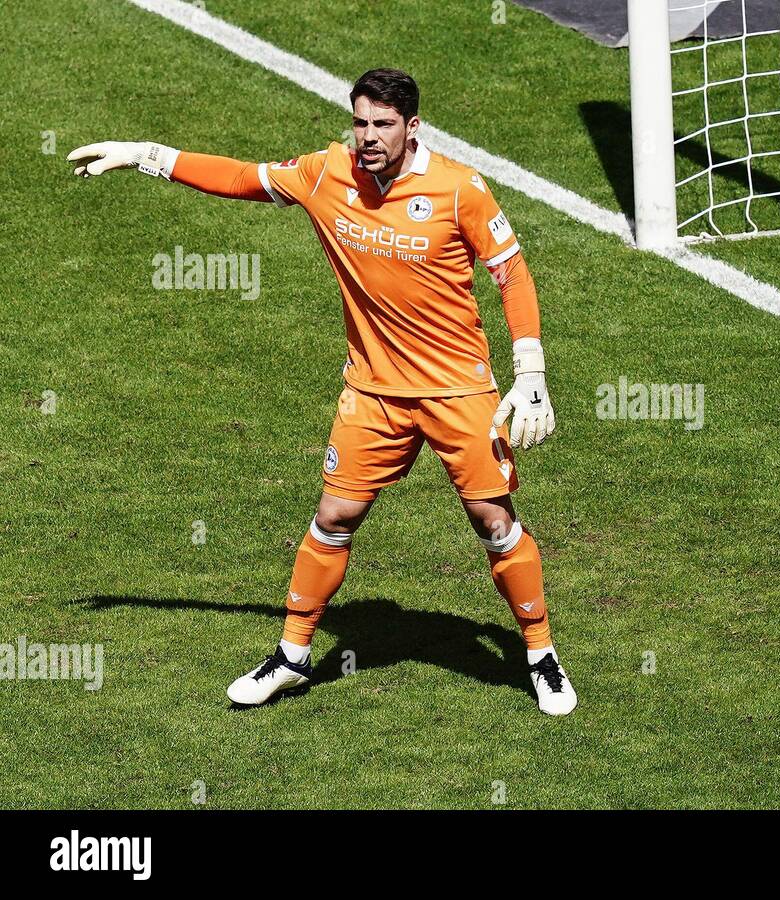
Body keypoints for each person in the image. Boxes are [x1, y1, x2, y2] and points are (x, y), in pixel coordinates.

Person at [68, 67, 577, 715]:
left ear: (412, 127)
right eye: (360, 121)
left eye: (382, 125)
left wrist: (529, 371)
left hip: (458, 392)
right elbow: (240, 177)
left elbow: (511, 273)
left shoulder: (459, 191)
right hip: (372, 393)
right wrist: (145, 155)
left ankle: (539, 655)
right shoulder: (325, 172)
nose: (367, 136)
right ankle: (292, 657)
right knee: (334, 519)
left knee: (494, 521)